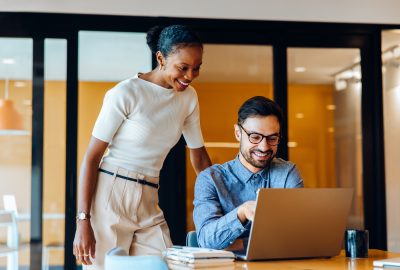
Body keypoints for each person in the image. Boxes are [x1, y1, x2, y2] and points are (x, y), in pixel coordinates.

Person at [73, 25, 212, 269]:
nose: (190, 75)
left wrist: (217, 201)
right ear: (160, 58)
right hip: (111, 193)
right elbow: (92, 158)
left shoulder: (189, 99)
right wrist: (83, 221)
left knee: (164, 264)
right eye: (183, 67)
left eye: (196, 68)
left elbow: (199, 157)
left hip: (149, 196)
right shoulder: (125, 93)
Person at [193, 96, 304, 250]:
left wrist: (240, 244)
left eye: (272, 138)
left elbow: (298, 235)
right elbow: (206, 240)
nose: (264, 147)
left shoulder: (287, 173)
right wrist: (242, 212)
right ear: (238, 133)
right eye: (255, 137)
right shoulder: (210, 179)